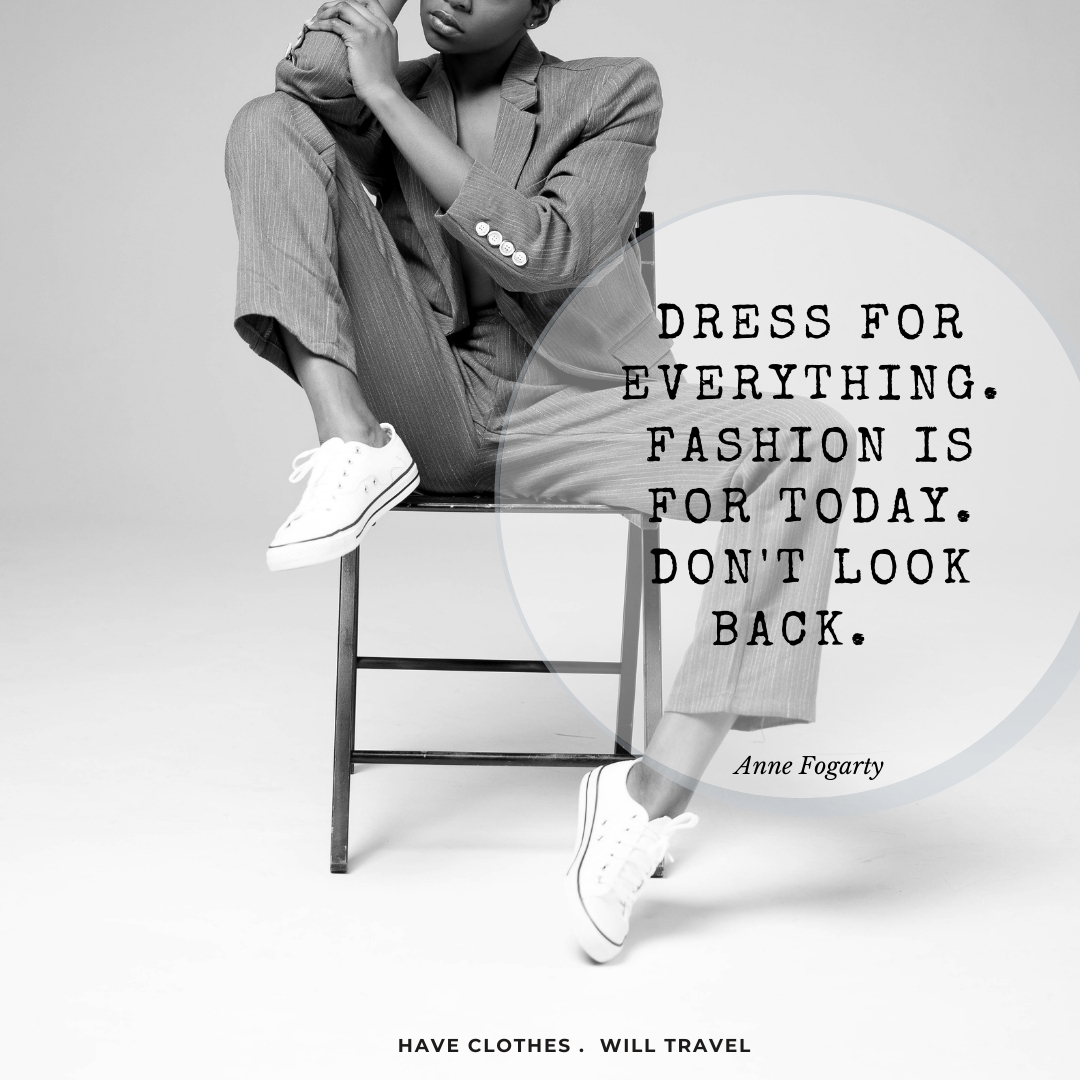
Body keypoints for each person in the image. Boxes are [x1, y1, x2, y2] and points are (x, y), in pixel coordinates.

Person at [225, 0, 855, 962]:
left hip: (572, 407)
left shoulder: (609, 90)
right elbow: (303, 81)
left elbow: (546, 254)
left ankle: (650, 794)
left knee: (806, 446)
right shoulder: (368, 72)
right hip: (422, 400)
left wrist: (389, 100)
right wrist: (380, 49)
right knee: (264, 123)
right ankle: (347, 437)